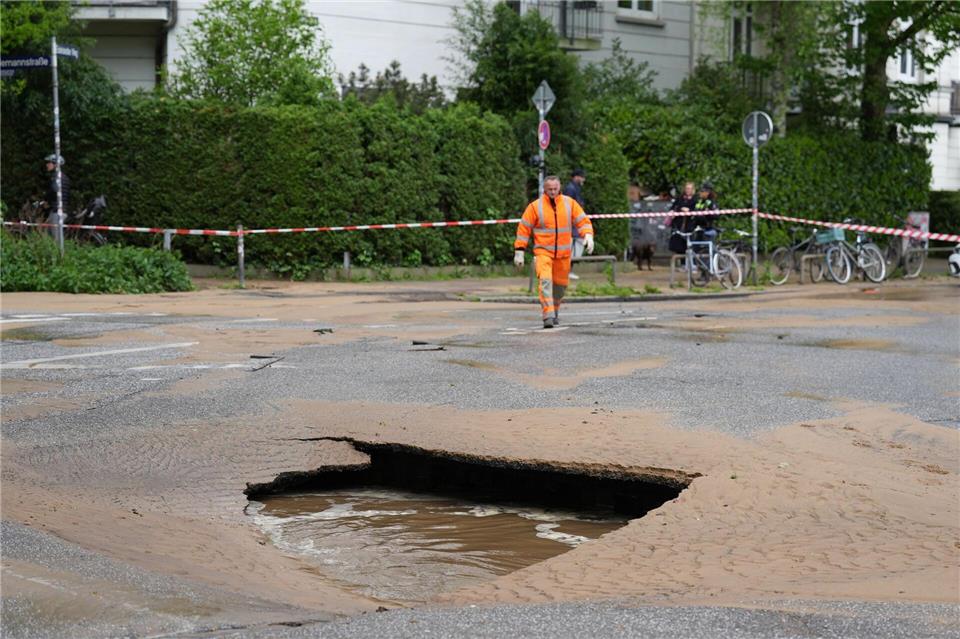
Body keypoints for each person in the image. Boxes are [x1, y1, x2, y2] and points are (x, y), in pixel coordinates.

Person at [514, 175, 594, 329]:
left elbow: (582, 220)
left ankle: (555, 311)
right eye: (549, 189)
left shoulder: (569, 203)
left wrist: (588, 235)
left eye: (555, 189)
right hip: (543, 252)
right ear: (544, 189)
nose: (552, 191)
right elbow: (524, 228)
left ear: (560, 187)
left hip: (563, 255)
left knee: (560, 287)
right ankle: (547, 315)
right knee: (545, 281)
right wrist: (519, 250)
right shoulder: (535, 207)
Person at [563, 168, 587, 279]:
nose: (583, 179)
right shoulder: (570, 189)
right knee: (574, 245)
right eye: (582, 177)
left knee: (576, 244)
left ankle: (568, 270)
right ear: (576, 177)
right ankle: (567, 271)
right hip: (572, 223)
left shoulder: (574, 188)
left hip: (574, 222)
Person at [42, 154, 71, 231]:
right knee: (47, 232)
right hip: (61, 209)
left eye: (49, 163)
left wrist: (47, 201)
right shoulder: (64, 177)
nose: (47, 165)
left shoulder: (56, 177)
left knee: (56, 239)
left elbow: (54, 190)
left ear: (55, 165)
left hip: (57, 211)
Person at [668, 181, 697, 254]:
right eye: (687, 188)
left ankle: (690, 263)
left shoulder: (696, 199)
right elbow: (673, 208)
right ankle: (681, 263)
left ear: (693, 189)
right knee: (679, 246)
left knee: (690, 246)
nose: (688, 190)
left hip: (690, 226)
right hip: (679, 225)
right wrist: (679, 210)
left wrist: (689, 210)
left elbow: (697, 210)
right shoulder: (680, 198)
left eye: (690, 189)